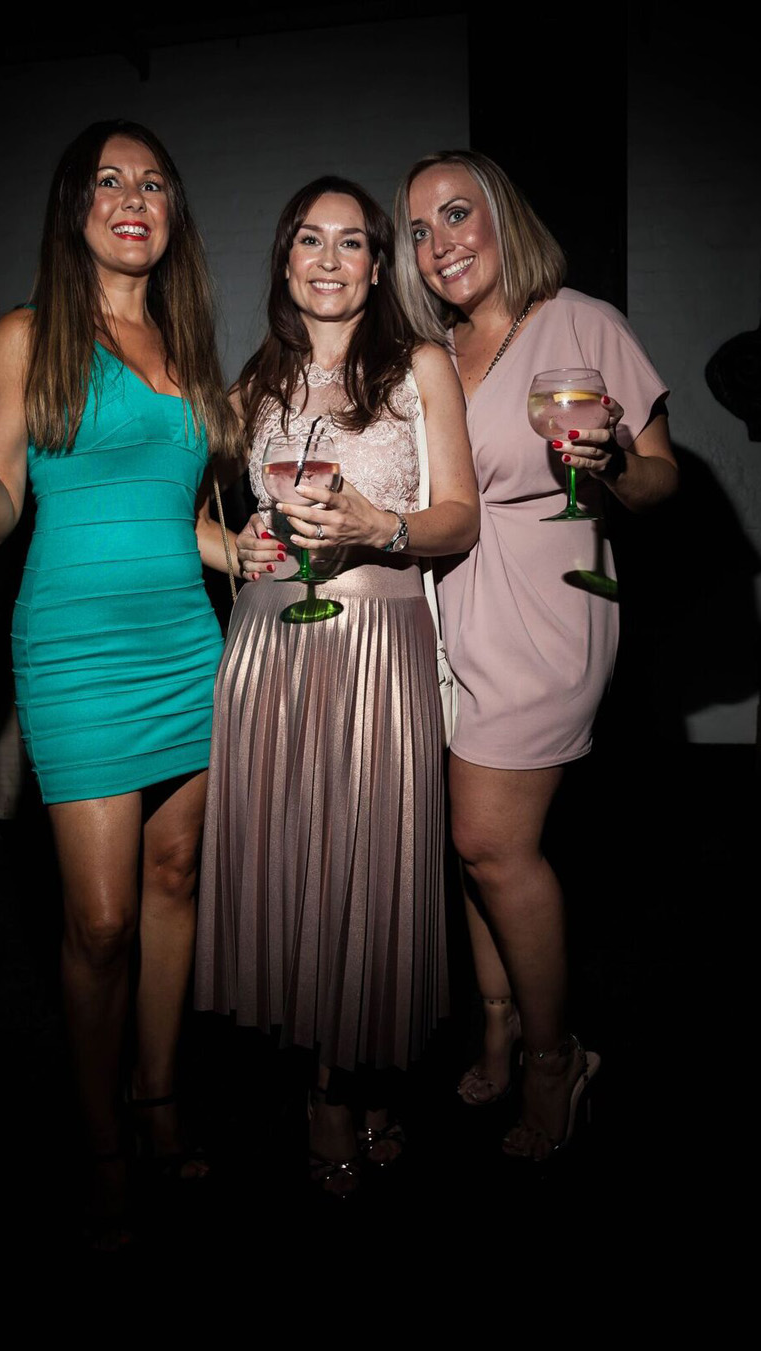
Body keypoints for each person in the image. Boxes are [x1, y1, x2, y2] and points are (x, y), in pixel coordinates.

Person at [0, 120, 240, 1243]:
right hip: (77, 654)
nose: (133, 197)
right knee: (99, 922)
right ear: (75, 208)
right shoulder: (29, 332)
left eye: (154, 182)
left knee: (177, 880)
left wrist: (247, 550)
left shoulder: (185, 343)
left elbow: (178, 513)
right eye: (109, 181)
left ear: (173, 213)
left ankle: (160, 1099)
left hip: (185, 644)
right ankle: (99, 1136)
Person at [194, 176, 479, 1195]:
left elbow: (460, 516)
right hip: (271, 647)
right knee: (300, 869)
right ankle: (327, 1086)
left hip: (379, 643)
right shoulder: (252, 385)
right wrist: (230, 550)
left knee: (371, 868)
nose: (328, 259)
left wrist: (380, 526)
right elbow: (177, 504)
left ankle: (361, 1061)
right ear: (285, 261)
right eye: (309, 239)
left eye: (351, 242)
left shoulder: (420, 366)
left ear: (377, 264)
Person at [394, 150, 678, 1160]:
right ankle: (501, 1022)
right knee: (472, 844)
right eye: (419, 231)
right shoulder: (434, 350)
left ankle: (558, 1057)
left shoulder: (580, 321)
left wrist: (613, 464)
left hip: (549, 610)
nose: (439, 244)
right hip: (451, 616)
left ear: (502, 216)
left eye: (456, 214)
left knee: (490, 840)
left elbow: (660, 481)